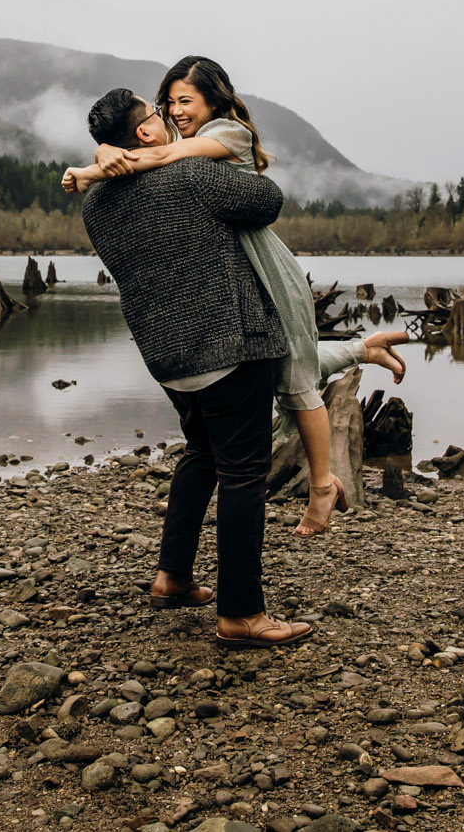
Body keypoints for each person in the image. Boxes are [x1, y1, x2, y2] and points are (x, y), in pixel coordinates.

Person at [64, 58, 407, 536]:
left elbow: (164, 161)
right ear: (145, 128)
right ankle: (315, 491)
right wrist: (103, 159)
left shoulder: (214, 140)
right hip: (230, 316)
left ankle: (317, 487)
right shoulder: (186, 165)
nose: (174, 112)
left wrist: (97, 162)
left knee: (279, 386)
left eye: (184, 101)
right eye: (167, 105)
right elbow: (241, 192)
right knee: (277, 394)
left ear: (213, 100)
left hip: (204, 319)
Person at [77, 97, 314, 649]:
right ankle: (241, 614)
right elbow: (267, 199)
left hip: (167, 357)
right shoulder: (190, 175)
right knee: (242, 473)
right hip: (229, 346)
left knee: (201, 454)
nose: (168, 115)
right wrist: (193, 152)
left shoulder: (95, 203)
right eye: (158, 110)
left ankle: (173, 576)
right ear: (145, 129)